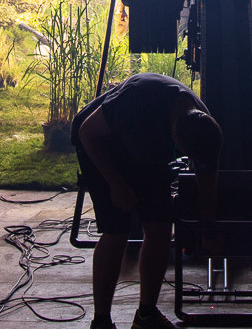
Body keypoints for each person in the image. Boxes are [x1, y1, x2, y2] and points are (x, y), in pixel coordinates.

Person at [73, 74, 221, 329]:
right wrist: (116, 184)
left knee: (160, 226)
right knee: (117, 229)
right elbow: (87, 132)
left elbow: (206, 177)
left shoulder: (205, 129)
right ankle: (101, 321)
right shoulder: (138, 101)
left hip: (145, 148)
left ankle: (146, 315)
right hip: (100, 143)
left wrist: (209, 228)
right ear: (174, 136)